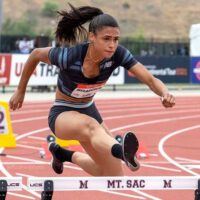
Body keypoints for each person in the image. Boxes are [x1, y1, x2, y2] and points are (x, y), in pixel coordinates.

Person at [9, 4, 175, 176]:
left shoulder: (118, 54)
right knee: (92, 126)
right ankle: (121, 151)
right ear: (92, 37)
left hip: (88, 110)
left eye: (116, 39)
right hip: (62, 113)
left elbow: (150, 79)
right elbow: (36, 54)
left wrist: (164, 93)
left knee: (112, 175)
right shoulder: (70, 57)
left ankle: (63, 154)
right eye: (107, 39)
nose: (112, 45)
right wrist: (20, 90)